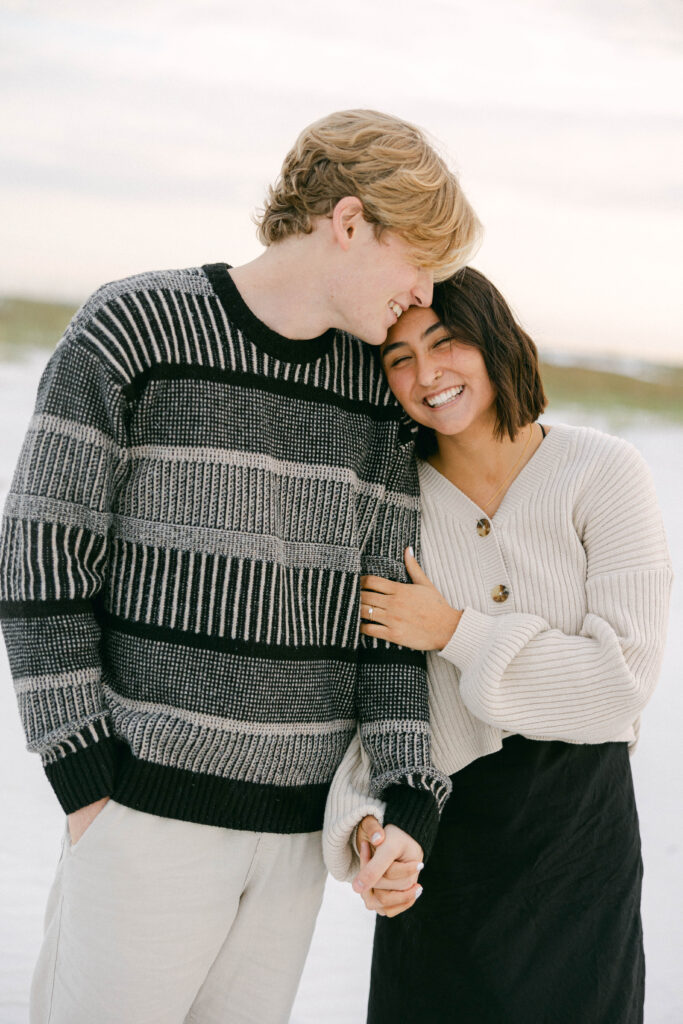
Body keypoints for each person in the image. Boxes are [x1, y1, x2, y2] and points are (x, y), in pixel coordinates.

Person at [0, 110, 481, 1024]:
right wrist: (88, 784)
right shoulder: (133, 330)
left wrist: (406, 797)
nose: (423, 291)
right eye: (417, 256)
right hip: (142, 818)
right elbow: (39, 564)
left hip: (294, 841)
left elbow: (382, 620)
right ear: (347, 222)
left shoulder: (373, 397)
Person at [323, 267, 673, 1023]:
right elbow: (368, 699)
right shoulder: (391, 502)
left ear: (495, 342)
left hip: (581, 830)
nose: (426, 374)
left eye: (445, 343)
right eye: (399, 358)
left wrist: (453, 631)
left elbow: (618, 683)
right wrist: (365, 827)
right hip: (438, 831)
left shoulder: (602, 474)